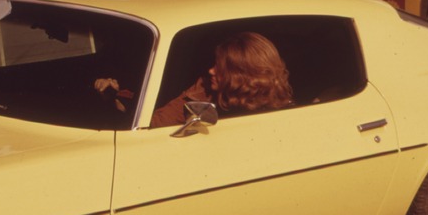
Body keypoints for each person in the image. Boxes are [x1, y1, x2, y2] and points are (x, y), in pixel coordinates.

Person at [95, 32, 294, 128]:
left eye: (221, 68)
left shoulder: (285, 117)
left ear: (242, 75)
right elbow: (156, 123)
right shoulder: (204, 88)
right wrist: (114, 100)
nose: (210, 70)